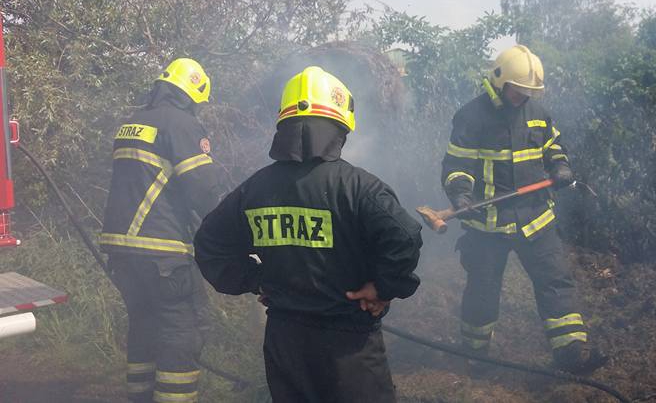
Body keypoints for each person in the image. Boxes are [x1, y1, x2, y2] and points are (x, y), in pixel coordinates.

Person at [193, 66, 423, 403]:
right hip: (350, 346)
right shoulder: (360, 188)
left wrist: (258, 279)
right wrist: (382, 287)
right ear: (340, 128)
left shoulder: (254, 190)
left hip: (285, 342)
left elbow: (209, 244)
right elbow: (405, 237)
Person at [442, 45, 605, 374]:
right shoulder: (471, 117)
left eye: (529, 92)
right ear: (499, 82)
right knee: (482, 292)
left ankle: (572, 353)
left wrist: (560, 165)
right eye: (518, 90)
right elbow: (456, 165)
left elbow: (552, 145)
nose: (523, 97)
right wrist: (460, 194)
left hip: (536, 219)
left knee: (556, 282)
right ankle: (475, 355)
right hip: (488, 224)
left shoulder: (538, 112)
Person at [101, 58, 223, 403]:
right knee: (181, 330)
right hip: (163, 253)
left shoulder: (132, 123)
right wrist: (229, 233)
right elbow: (202, 189)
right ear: (192, 96)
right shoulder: (181, 125)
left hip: (123, 253)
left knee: (143, 326)